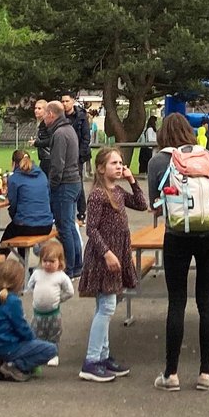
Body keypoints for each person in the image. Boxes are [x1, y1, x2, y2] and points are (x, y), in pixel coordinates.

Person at [149, 113, 209, 391]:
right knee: (207, 302)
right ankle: (206, 373)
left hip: (178, 235)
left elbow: (155, 206)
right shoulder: (205, 157)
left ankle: (171, 374)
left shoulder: (159, 161)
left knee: (177, 302)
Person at [75, 147, 145, 381]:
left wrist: (132, 180)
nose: (119, 166)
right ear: (101, 168)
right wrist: (106, 253)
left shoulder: (117, 191)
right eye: (114, 163)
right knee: (106, 307)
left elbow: (141, 204)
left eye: (120, 163)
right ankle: (92, 360)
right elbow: (91, 228)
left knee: (104, 306)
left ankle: (103, 355)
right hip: (103, 256)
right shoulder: (98, 195)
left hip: (118, 251)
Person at [0, 255, 57, 381]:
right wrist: (32, 338)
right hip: (10, 345)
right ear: (18, 282)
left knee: (32, 345)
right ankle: (14, 366)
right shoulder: (12, 301)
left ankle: (1, 360)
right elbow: (21, 327)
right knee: (50, 349)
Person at [45, 99, 86, 277]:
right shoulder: (69, 129)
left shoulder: (60, 133)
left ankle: (69, 267)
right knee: (70, 226)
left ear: (51, 115)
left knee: (64, 228)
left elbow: (57, 164)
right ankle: (77, 264)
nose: (44, 119)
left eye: (45, 115)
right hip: (74, 181)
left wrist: (52, 185)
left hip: (65, 184)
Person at [24, 238, 79, 366]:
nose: (48, 264)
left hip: (54, 314)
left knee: (53, 335)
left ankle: (53, 355)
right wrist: (37, 295)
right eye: (45, 261)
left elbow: (70, 291)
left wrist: (59, 299)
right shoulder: (37, 274)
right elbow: (30, 285)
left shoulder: (61, 276)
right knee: (37, 333)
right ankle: (38, 354)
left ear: (60, 262)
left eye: (52, 261)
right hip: (38, 313)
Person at [2, 148, 56, 248]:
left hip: (27, 225)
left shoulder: (14, 178)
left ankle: (1, 260)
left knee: (7, 237)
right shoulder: (42, 175)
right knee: (18, 226)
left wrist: (14, 215)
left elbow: (13, 203)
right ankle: (22, 261)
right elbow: (48, 197)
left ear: (14, 163)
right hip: (46, 224)